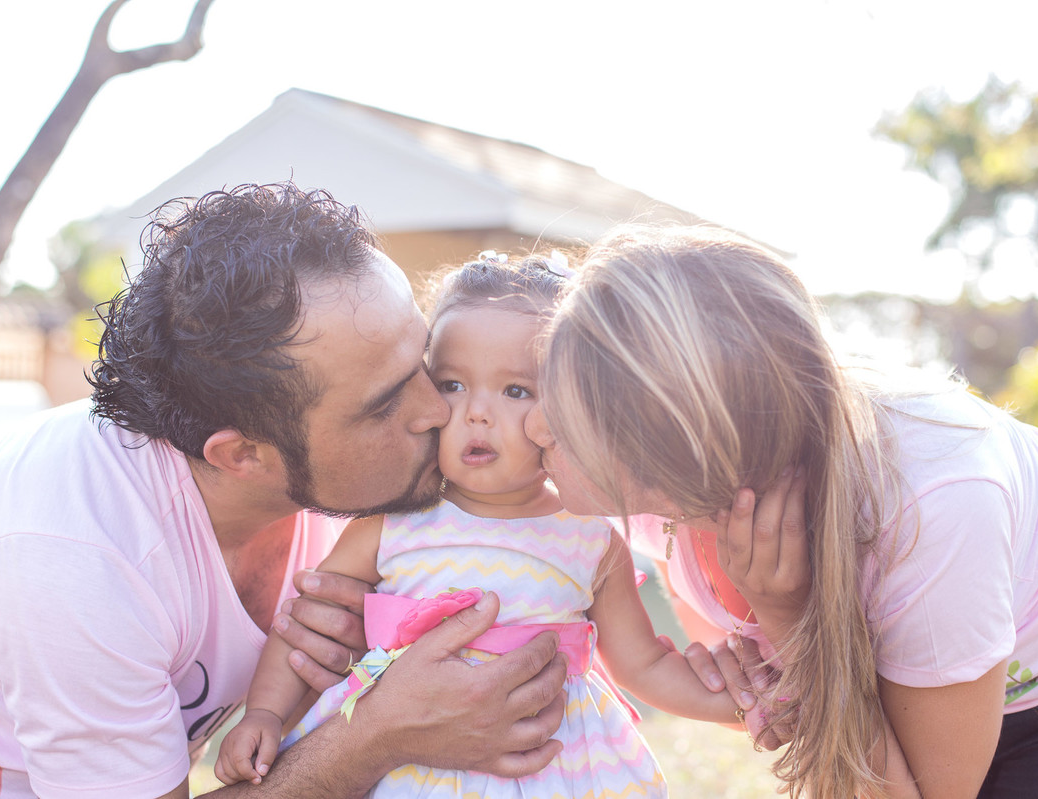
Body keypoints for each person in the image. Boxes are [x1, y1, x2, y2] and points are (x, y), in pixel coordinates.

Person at [0, 182, 569, 799]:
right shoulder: (73, 548)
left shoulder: (351, 483)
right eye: (386, 402)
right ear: (244, 454)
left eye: (428, 365)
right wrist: (378, 734)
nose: (439, 410)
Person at [523, 222, 1038, 798]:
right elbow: (733, 651)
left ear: (673, 448)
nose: (536, 426)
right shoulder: (659, 490)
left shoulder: (934, 501)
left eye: (567, 415)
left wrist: (788, 620)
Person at [213, 250, 744, 797]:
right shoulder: (389, 526)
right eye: (451, 384)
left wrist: (744, 703)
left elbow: (645, 663)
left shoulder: (588, 535)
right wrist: (265, 715)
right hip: (409, 770)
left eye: (515, 390)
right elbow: (305, 630)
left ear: (571, 404)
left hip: (551, 765)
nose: (476, 412)